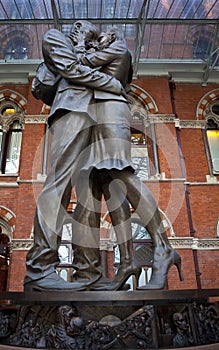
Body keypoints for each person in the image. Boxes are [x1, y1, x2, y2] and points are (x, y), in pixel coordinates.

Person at [71, 27, 184, 290]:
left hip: (111, 112)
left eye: (98, 39)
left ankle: (163, 247)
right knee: (109, 184)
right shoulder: (110, 50)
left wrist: (79, 42)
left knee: (121, 172)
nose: (95, 43)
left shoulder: (118, 47)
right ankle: (128, 261)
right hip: (98, 115)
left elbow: (81, 65)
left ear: (110, 36)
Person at [24, 21, 124, 291]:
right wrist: (110, 82)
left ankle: (87, 274)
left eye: (92, 38)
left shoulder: (89, 53)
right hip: (72, 111)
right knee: (60, 183)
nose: (88, 40)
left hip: (96, 116)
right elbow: (71, 70)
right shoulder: (55, 38)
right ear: (76, 28)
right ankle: (40, 268)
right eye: (86, 34)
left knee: (90, 198)